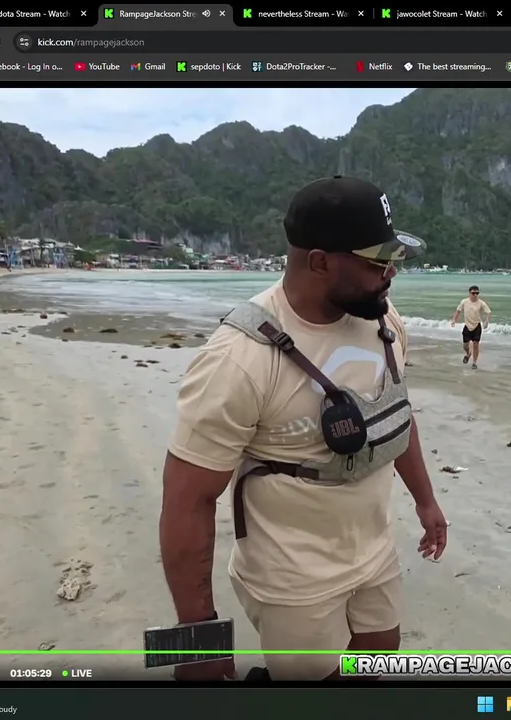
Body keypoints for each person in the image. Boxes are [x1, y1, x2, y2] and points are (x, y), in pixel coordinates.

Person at [158, 176, 449, 682]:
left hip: (374, 549)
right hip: (289, 574)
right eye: (378, 262)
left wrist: (426, 502)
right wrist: (195, 642)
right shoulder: (238, 358)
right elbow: (186, 502)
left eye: (395, 260)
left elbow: (396, 414)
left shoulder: (384, 322)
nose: (391, 275)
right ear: (320, 262)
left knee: (378, 659)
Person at [451, 285, 490, 369]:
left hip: (477, 326)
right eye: (473, 293)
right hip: (467, 326)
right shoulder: (464, 302)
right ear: (469, 293)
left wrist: (486, 321)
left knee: (476, 344)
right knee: (465, 345)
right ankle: (468, 353)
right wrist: (454, 320)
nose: (475, 295)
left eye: (477, 293)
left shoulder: (481, 303)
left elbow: (488, 312)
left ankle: (474, 363)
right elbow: (458, 311)